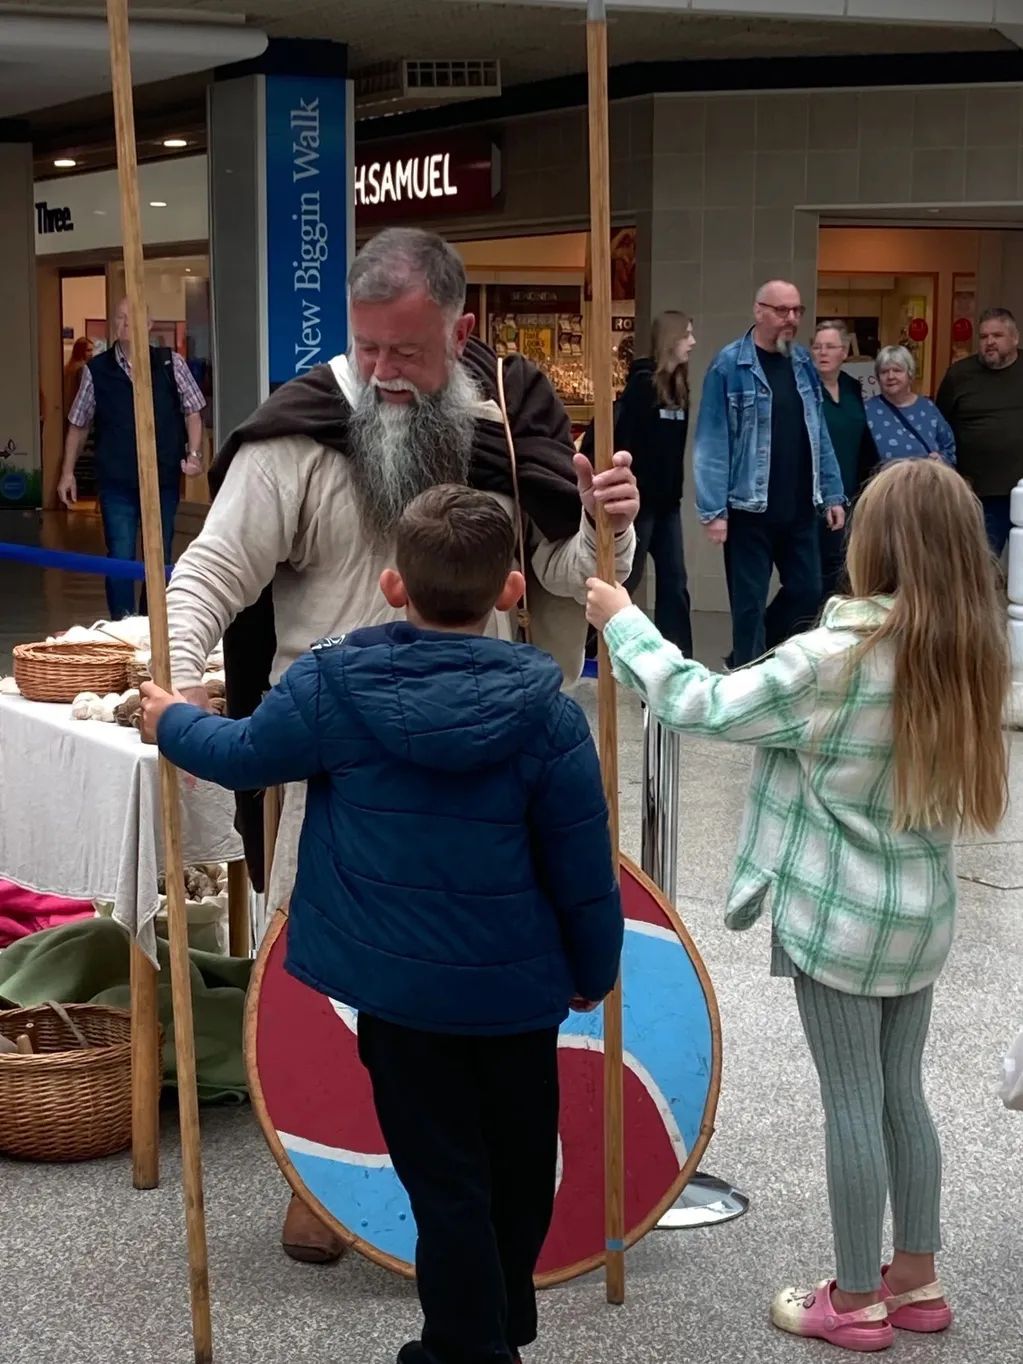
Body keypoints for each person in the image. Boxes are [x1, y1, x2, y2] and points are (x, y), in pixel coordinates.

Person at [164, 227, 638, 1262]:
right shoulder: (303, 430)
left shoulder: (508, 424)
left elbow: (569, 571)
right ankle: (318, 1169)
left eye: (407, 353)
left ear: (459, 332)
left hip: (487, 753)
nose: (381, 375)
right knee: (323, 973)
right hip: (342, 754)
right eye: (367, 347)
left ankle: (460, 1203)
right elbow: (209, 574)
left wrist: (613, 521)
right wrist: (174, 669)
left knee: (471, 972)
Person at [142, 484, 624, 1364]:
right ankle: (495, 1325)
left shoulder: (333, 688)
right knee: (517, 1168)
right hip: (516, 997)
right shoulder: (551, 719)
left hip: (400, 1000)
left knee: (443, 1178)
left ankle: (463, 1345)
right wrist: (596, 968)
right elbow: (583, 870)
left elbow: (243, 754)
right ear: (512, 591)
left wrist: (172, 721)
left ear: (393, 584)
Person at [586, 457, 1009, 1353]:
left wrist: (624, 626)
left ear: (876, 543)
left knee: (851, 1102)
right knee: (904, 1094)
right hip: (919, 914)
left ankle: (852, 1298)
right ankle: (917, 1278)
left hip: (838, 919)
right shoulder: (969, 654)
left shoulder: (834, 656)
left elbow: (701, 704)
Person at [693, 279, 846, 668]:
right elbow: (711, 440)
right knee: (747, 606)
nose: (791, 319)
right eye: (782, 311)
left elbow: (819, 433)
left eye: (797, 311)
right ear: (759, 311)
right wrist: (714, 511)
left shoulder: (802, 365)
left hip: (799, 507)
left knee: (809, 590)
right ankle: (747, 678)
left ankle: (760, 655)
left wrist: (832, 493)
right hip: (749, 510)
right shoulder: (730, 365)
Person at [58, 299, 206, 620]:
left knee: (158, 555)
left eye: (133, 317)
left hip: (162, 478)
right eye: (120, 317)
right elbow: (78, 424)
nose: (125, 322)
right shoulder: (96, 371)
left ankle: (154, 626)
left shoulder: (170, 364)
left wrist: (194, 454)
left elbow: (193, 410)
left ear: (149, 325)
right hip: (117, 481)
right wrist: (67, 472)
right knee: (121, 555)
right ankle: (124, 628)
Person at [587, 310, 695, 654]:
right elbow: (627, 441)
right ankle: (597, 646)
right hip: (641, 504)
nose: (692, 342)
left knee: (675, 582)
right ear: (671, 339)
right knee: (627, 577)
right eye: (687, 335)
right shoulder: (642, 386)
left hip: (668, 505)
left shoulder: (680, 388)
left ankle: (678, 654)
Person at [937, 305, 1023, 556]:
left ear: (1014, 338)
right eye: (984, 337)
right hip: (979, 490)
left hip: (1022, 486)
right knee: (981, 561)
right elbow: (941, 426)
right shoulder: (959, 375)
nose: (989, 342)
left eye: (997, 336)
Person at [810, 320, 877, 599]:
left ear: (844, 352)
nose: (822, 353)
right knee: (808, 577)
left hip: (849, 493)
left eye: (830, 347)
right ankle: (777, 630)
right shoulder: (806, 389)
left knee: (839, 569)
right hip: (812, 494)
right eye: (817, 347)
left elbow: (863, 440)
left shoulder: (851, 387)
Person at [864, 346, 956, 468]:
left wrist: (941, 461)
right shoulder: (866, 410)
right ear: (877, 377)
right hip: (884, 485)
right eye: (884, 372)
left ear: (910, 374)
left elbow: (949, 447)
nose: (891, 376)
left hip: (924, 483)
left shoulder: (928, 408)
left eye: (897, 370)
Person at [62, 337, 94, 420]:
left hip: (67, 412)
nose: (91, 353)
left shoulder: (67, 368)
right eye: (88, 350)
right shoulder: (82, 369)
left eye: (91, 350)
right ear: (80, 351)